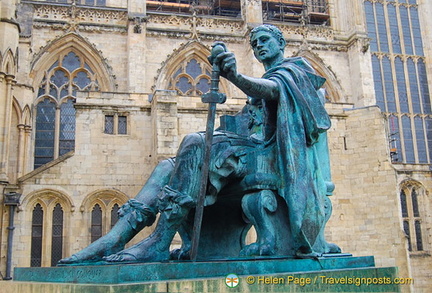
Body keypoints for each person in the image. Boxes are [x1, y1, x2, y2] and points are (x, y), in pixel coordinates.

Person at [59, 24, 339, 264]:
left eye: (264, 41)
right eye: (254, 43)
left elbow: (272, 91)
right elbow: (250, 116)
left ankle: (158, 242)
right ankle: (115, 238)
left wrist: (235, 77)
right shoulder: (267, 78)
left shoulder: (296, 70)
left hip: (270, 154)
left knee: (194, 142)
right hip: (250, 149)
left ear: (281, 43)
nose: (258, 46)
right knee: (168, 166)